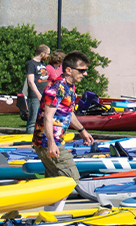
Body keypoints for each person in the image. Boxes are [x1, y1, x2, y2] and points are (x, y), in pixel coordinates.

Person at [33, 51, 92, 183]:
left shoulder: (69, 88)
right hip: (48, 143)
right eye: (82, 71)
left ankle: (50, 204)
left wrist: (82, 131)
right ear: (69, 70)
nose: (85, 74)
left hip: (55, 142)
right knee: (72, 181)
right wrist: (51, 144)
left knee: (55, 184)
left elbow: (68, 112)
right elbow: (47, 117)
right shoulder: (56, 89)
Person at [20, 44, 49, 123]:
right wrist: (38, 94)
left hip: (44, 94)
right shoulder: (31, 64)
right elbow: (30, 81)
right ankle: (29, 135)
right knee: (33, 120)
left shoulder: (43, 64)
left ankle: (39, 135)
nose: (48, 56)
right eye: (47, 54)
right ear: (42, 53)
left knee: (42, 119)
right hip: (35, 96)